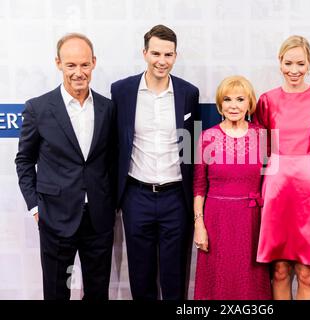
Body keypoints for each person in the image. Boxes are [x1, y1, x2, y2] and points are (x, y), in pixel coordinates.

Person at [15, 33, 117, 300]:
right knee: (57, 292)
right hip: (55, 216)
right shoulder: (38, 108)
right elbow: (24, 160)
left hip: (98, 218)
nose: (78, 72)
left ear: (94, 63)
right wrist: (36, 206)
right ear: (58, 63)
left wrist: (112, 202)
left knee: (97, 292)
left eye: (84, 64)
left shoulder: (108, 108)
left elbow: (112, 159)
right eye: (71, 65)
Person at [111, 24, 199, 300]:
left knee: (175, 276)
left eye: (168, 55)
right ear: (145, 53)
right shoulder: (122, 90)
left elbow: (191, 149)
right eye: (156, 53)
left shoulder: (189, 93)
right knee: (141, 275)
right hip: (136, 196)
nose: (162, 61)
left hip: (176, 197)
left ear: (176, 56)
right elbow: (115, 144)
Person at [253, 35, 310, 300]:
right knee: (278, 270)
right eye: (288, 63)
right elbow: (260, 150)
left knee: (307, 272)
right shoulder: (266, 101)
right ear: (280, 63)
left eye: (300, 63)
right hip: (276, 190)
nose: (294, 70)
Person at [193, 76, 272, 300]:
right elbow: (198, 186)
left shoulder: (262, 136)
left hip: (252, 222)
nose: (234, 105)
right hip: (216, 221)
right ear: (220, 104)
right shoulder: (207, 137)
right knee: (217, 283)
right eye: (227, 99)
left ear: (250, 103)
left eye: (240, 99)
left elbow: (275, 176)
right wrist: (199, 224)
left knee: (250, 285)